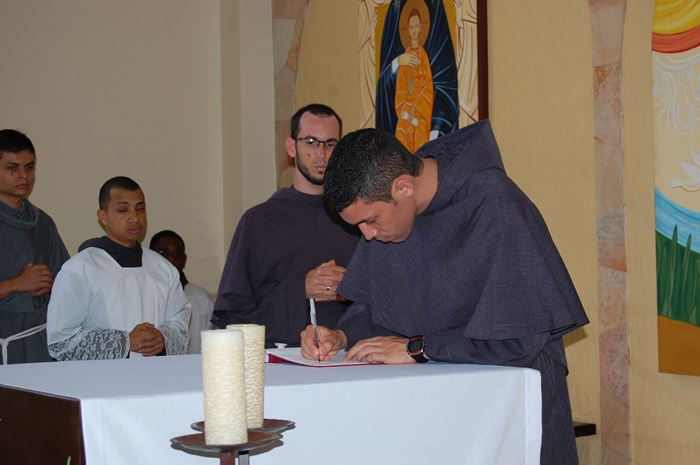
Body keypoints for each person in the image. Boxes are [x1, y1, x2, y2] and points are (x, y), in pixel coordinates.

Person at [301, 121, 589, 465]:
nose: (367, 235)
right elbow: (380, 306)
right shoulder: (393, 215)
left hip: (513, 404)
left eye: (371, 220)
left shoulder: (495, 202)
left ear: (403, 187)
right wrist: (341, 335)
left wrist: (418, 348)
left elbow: (521, 340)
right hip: (443, 406)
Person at [213, 104, 360, 347]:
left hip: (348, 356)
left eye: (331, 144)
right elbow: (233, 316)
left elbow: (385, 301)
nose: (322, 153)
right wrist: (301, 290)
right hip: (277, 361)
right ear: (292, 147)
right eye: (311, 142)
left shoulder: (359, 220)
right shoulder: (258, 222)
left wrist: (351, 289)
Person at [47, 176, 190, 360]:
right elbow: (61, 342)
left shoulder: (164, 269)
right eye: (123, 210)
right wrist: (125, 342)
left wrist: (163, 338)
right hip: (101, 377)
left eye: (140, 209)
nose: (135, 218)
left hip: (155, 374)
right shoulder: (79, 269)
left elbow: (179, 321)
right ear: (103, 216)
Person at [0, 129, 69, 364]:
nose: (24, 175)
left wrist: (52, 285)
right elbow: (23, 283)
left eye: (29, 167)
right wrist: (17, 284)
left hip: (39, 344)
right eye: (13, 168)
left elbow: (66, 285)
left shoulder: (43, 223)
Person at [149, 229, 213, 354]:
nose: (171, 259)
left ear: (184, 259)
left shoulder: (201, 298)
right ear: (151, 257)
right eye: (163, 253)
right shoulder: (145, 294)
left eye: (177, 253)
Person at [395, 7, 433, 152]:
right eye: (411, 26)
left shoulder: (423, 56)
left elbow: (428, 88)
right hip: (406, 111)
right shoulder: (405, 58)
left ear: (421, 28)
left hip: (421, 114)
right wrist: (407, 113)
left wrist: (416, 113)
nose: (414, 30)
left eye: (417, 25)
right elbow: (400, 90)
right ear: (408, 30)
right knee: (401, 134)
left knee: (420, 135)